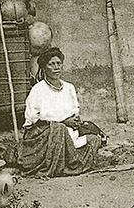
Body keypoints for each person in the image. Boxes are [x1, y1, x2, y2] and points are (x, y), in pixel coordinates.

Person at [19, 47, 105, 177]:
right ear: (44, 67)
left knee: (94, 138)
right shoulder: (38, 90)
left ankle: (68, 159)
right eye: (51, 64)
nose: (56, 67)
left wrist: (75, 120)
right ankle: (60, 163)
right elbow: (33, 118)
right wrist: (64, 121)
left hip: (69, 130)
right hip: (45, 133)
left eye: (58, 64)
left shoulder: (69, 87)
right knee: (59, 129)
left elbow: (74, 110)